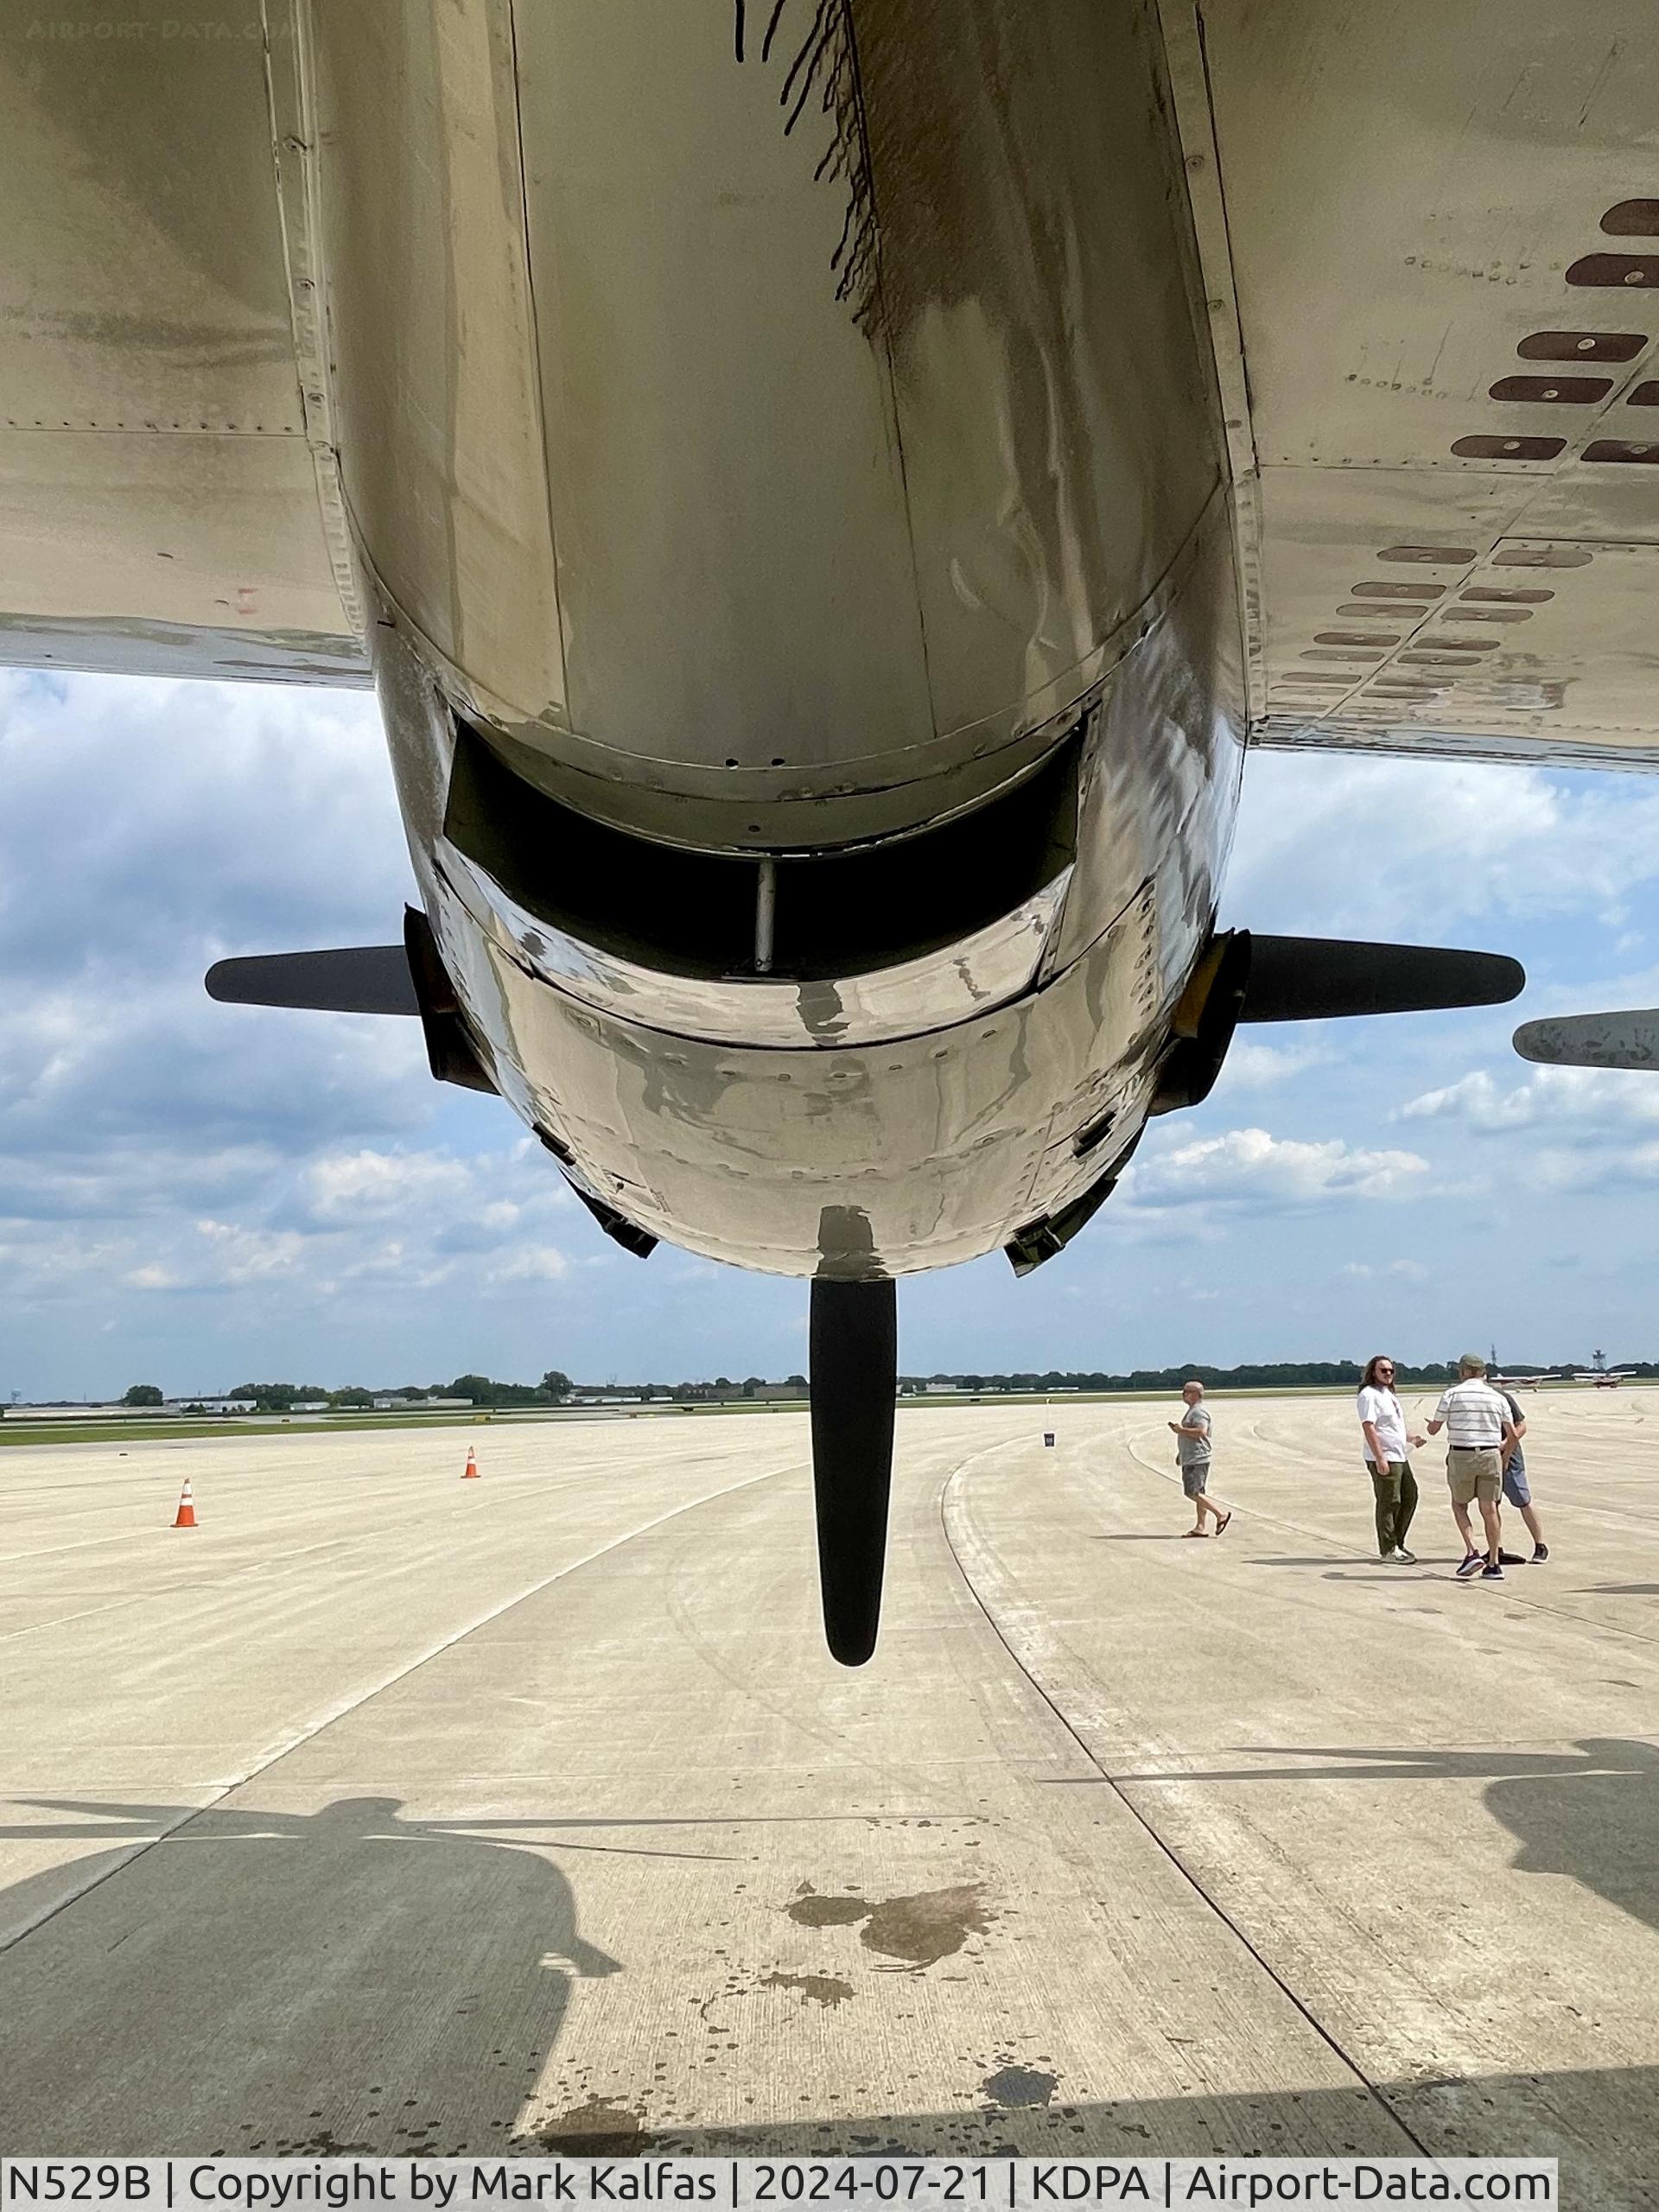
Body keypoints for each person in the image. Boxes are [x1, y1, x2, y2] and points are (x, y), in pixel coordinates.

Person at [1427, 1352, 1520, 1580]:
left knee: (1459, 1504)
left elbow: (1434, 1429)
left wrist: (1431, 1426)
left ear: (1463, 1372)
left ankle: (1472, 1551)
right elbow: (1514, 1434)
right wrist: (1504, 1456)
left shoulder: (1452, 1394)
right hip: (1490, 1454)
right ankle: (1494, 1564)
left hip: (1462, 1454)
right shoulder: (1497, 1397)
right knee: (1489, 1510)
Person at [1355, 1354, 1427, 1562]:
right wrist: (1380, 1458)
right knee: (1389, 1501)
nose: (1388, 1374)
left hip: (1400, 1456)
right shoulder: (1368, 1395)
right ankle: (1388, 1549)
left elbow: (1392, 1427)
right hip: (1384, 1456)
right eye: (1383, 1370)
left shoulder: (1389, 1394)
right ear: (1373, 1373)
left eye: (1391, 1371)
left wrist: (1411, 1438)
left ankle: (1398, 1543)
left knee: (1410, 1496)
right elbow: (1369, 1427)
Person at [1168, 1380, 1232, 1538]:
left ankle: (1220, 1515)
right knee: (1199, 1493)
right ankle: (1200, 1526)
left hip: (1197, 1458)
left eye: (1187, 1391)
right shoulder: (1193, 1411)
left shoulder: (1198, 1412)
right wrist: (1181, 1454)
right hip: (1191, 1457)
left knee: (1192, 1492)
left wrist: (1180, 1430)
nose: (1183, 1395)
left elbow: (1201, 1431)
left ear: (1196, 1394)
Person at [1497, 1384, 1550, 1563]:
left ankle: (1540, 1545)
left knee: (1523, 1499)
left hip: (1510, 1459)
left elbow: (1521, 1426)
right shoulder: (1466, 1397)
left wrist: (1506, 1445)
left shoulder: (1501, 1396)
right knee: (1490, 1504)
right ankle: (1496, 1548)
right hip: (1484, 1459)